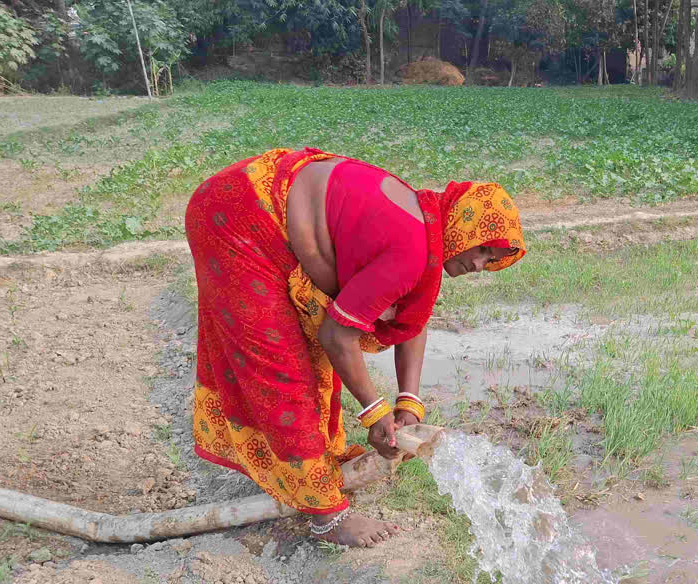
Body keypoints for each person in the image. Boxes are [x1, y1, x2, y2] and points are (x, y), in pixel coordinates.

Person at [183, 148, 525, 547]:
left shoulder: (425, 229)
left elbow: (410, 319)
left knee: (309, 360)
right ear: (463, 226)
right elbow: (336, 335)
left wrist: (409, 402)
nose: (481, 265)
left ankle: (315, 469)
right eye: (482, 249)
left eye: (493, 259)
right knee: (281, 370)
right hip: (240, 216)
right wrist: (375, 413)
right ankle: (327, 516)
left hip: (262, 194)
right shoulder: (412, 250)